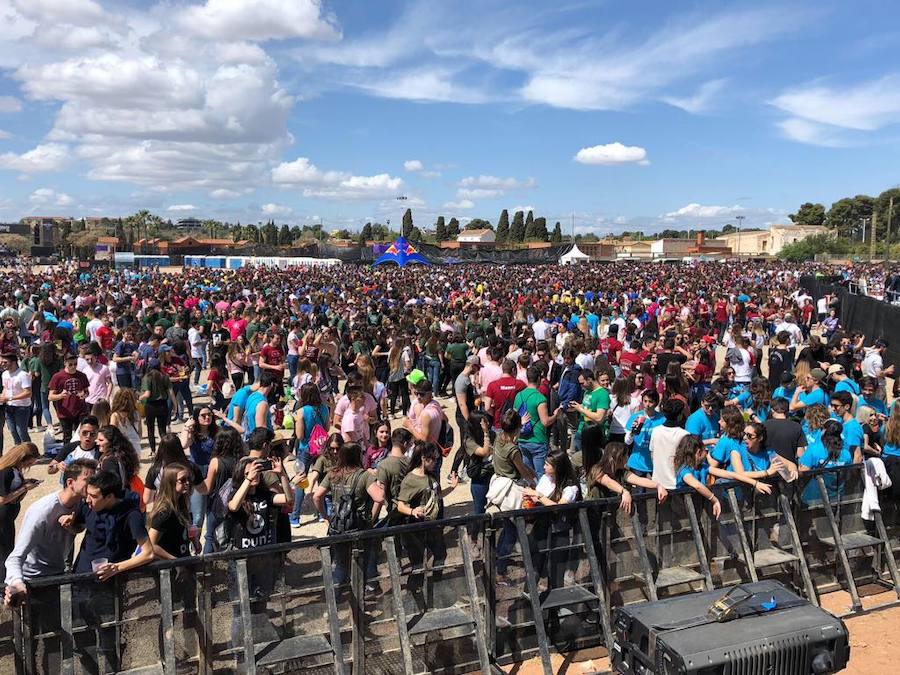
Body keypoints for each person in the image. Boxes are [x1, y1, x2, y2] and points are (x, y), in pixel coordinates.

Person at [61, 470, 154, 675]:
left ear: (110, 496)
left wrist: (116, 568)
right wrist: (70, 525)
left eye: (93, 496)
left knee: (109, 644)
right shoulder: (88, 506)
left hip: (109, 588)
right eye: (88, 494)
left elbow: (148, 554)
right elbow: (79, 526)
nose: (88, 499)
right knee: (82, 642)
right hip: (80, 582)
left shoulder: (131, 515)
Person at [4, 459, 97, 606]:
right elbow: (15, 558)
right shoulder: (42, 512)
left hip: (57, 576)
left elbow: (79, 528)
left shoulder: (84, 503)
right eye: (88, 479)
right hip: (33, 581)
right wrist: (18, 584)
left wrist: (72, 526)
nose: (94, 483)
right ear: (70, 483)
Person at [313, 443, 383, 587]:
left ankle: (335, 601)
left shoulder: (333, 473)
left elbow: (316, 496)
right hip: (360, 526)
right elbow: (379, 498)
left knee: (340, 565)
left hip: (338, 525)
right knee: (363, 562)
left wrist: (325, 516)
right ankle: (365, 594)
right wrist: (372, 517)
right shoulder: (364, 476)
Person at [396, 441, 454, 601]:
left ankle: (437, 585)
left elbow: (437, 496)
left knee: (440, 554)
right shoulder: (410, 479)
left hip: (433, 526)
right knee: (418, 564)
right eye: (432, 459)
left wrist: (452, 488)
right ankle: (412, 595)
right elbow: (400, 505)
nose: (435, 462)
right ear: (423, 458)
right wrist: (412, 511)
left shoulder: (431, 476)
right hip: (416, 528)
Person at [290, 382, 330, 527]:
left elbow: (299, 436)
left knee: (301, 480)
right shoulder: (325, 408)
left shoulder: (301, 412)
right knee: (322, 479)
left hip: (305, 448)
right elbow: (327, 429)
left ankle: (295, 516)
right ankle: (322, 512)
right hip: (320, 448)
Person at [0, 443, 41, 579]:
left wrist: (25, 483)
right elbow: (2, 499)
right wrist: (24, 489)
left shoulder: (14, 469)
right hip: (2, 519)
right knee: (4, 553)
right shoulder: (6, 471)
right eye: (30, 461)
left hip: (7, 518)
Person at [143, 433, 205, 511]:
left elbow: (147, 499)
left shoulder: (155, 470)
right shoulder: (190, 467)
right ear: (179, 448)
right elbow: (203, 489)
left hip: (162, 510)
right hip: (185, 511)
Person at [148, 463, 198, 558]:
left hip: (185, 559)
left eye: (188, 479)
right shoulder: (164, 512)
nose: (187, 483)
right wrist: (174, 561)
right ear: (171, 482)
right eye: (182, 480)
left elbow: (186, 527)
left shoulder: (182, 504)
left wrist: (194, 540)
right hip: (170, 568)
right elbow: (150, 545)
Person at [181, 405, 218, 528]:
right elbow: (183, 444)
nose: (207, 417)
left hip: (215, 472)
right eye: (203, 415)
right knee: (198, 515)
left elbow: (240, 431)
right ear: (196, 417)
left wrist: (225, 418)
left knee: (215, 512)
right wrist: (187, 426)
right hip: (198, 474)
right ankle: (195, 543)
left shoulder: (217, 432)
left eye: (209, 415)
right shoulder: (193, 434)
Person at [673, 435, 722, 519]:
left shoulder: (702, 467)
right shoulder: (684, 470)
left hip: (697, 511)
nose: (707, 453)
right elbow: (697, 486)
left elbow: (727, 474)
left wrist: (748, 479)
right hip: (683, 514)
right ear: (699, 452)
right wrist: (715, 500)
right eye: (706, 451)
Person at [48, 354, 91, 443]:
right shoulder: (57, 376)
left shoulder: (82, 375)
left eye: (75, 364)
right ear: (65, 363)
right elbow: (50, 396)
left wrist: (84, 394)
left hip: (80, 410)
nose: (73, 367)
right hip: (65, 412)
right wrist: (60, 395)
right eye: (70, 364)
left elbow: (87, 391)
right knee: (67, 437)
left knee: (81, 435)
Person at [649, 399, 690, 489]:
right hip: (676, 484)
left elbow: (652, 455)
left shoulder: (655, 431)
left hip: (657, 483)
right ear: (679, 415)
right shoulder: (684, 434)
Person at [625, 389, 664, 477]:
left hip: (655, 463)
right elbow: (627, 441)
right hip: (637, 463)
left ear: (656, 403)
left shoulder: (662, 419)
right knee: (639, 490)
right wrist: (632, 433)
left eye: (650, 401)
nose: (647, 404)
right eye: (645, 401)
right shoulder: (635, 417)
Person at [140, 362, 175, 454]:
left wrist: (140, 397)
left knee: (150, 429)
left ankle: (153, 450)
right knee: (162, 429)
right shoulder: (165, 377)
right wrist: (175, 406)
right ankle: (166, 449)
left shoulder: (147, 377)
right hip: (162, 405)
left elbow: (147, 394)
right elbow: (171, 393)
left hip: (150, 406)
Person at [764, 397, 806, 464]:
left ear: (772, 410)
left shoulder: (764, 425)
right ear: (787, 410)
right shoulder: (796, 426)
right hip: (790, 470)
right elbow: (800, 453)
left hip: (770, 467)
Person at [830, 390, 865, 464]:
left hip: (848, 470)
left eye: (836, 406)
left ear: (847, 406)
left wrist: (852, 474)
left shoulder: (853, 427)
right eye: (831, 405)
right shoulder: (842, 422)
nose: (833, 409)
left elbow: (857, 455)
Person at [110, 388, 142, 456]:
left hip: (122, 449)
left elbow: (112, 434)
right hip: (135, 447)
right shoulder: (136, 414)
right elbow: (140, 434)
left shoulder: (115, 416)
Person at [78, 343, 113, 407]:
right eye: (87, 359)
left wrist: (107, 396)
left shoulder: (104, 368)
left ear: (95, 357)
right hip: (89, 400)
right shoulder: (84, 370)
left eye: (91, 359)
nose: (90, 361)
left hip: (101, 400)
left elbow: (110, 383)